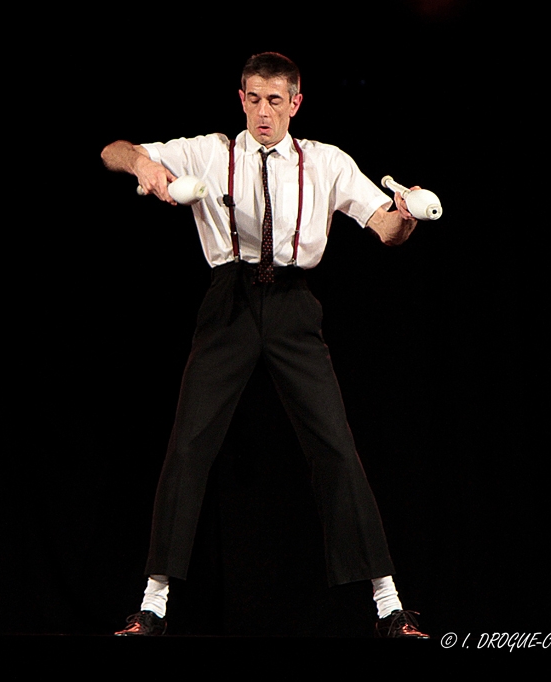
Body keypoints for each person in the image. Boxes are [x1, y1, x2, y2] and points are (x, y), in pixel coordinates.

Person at [101, 52, 428, 639]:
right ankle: (152, 605)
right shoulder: (211, 151)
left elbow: (384, 229)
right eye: (253, 99)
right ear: (241, 99)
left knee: (335, 445)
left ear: (295, 103)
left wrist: (406, 216)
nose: (262, 112)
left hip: (293, 305)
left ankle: (389, 604)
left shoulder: (325, 161)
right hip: (228, 301)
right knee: (189, 444)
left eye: (275, 100)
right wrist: (143, 169)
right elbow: (114, 149)